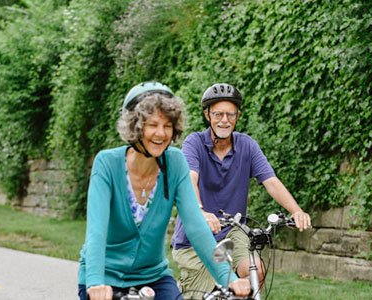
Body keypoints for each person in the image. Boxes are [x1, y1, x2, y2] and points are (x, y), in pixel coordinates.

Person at [77, 82, 251, 300]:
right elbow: (96, 232)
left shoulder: (175, 162)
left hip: (153, 277)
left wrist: (229, 278)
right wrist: (95, 282)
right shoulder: (107, 163)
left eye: (168, 126)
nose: (161, 133)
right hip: (104, 277)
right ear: (135, 126)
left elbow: (197, 229)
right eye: (152, 125)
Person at [171, 83, 312, 295]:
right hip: (195, 238)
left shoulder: (247, 145)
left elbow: (271, 181)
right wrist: (200, 211)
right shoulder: (194, 143)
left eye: (231, 114)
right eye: (218, 114)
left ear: (237, 116)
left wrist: (296, 211)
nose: (224, 120)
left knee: (255, 271)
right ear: (207, 115)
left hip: (232, 232)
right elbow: (190, 179)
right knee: (209, 291)